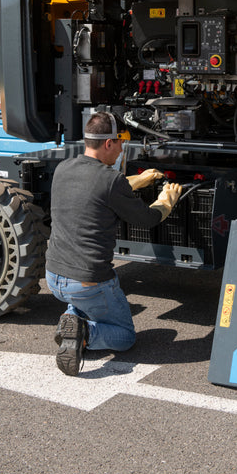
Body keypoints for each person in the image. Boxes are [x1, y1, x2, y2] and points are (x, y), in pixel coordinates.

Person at [45, 111, 182, 376]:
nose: (121, 150)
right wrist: (167, 200)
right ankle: (85, 333)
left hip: (54, 278)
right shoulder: (111, 180)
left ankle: (73, 317)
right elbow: (147, 218)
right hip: (88, 283)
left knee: (84, 300)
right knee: (125, 336)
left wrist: (137, 181)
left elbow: (94, 190)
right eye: (120, 143)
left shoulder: (63, 169)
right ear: (109, 143)